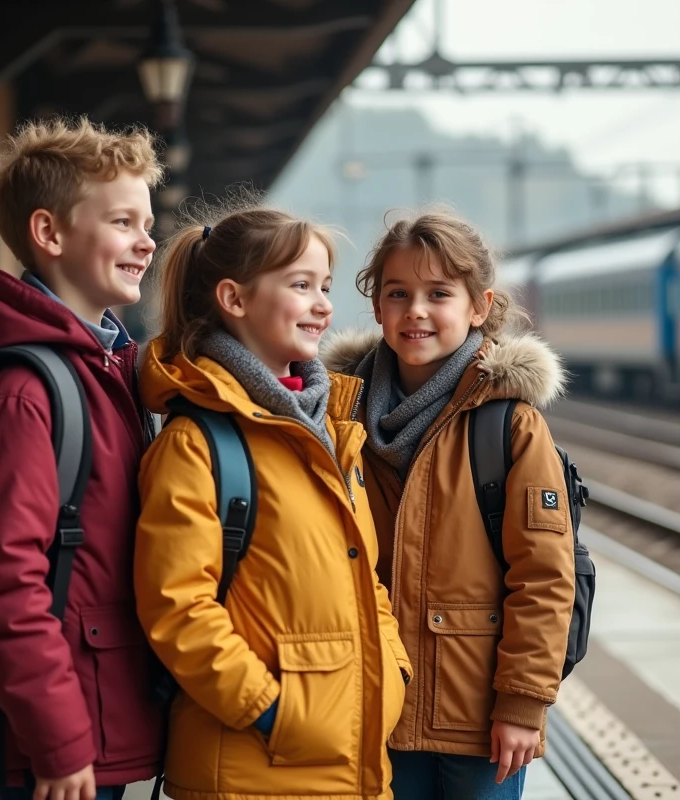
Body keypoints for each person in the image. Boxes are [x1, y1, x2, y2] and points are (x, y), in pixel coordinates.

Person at [0, 117, 165, 800]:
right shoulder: (24, 394)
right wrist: (59, 741)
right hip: (65, 732)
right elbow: (0, 584)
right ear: (49, 233)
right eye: (122, 221)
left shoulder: (104, 366)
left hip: (99, 706)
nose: (147, 240)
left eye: (147, 222)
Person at [134, 204, 411, 800]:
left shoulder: (327, 427)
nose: (324, 306)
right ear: (234, 298)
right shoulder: (196, 443)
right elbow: (177, 608)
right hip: (253, 767)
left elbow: (363, 575)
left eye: (326, 287)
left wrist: (393, 672)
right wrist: (271, 711)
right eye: (301, 285)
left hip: (348, 756)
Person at [322, 211, 575, 800]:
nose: (416, 310)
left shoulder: (510, 427)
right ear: (377, 307)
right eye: (398, 294)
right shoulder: (338, 417)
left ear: (479, 307)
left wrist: (523, 703)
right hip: (372, 706)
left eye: (439, 294)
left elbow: (544, 578)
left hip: (477, 719)